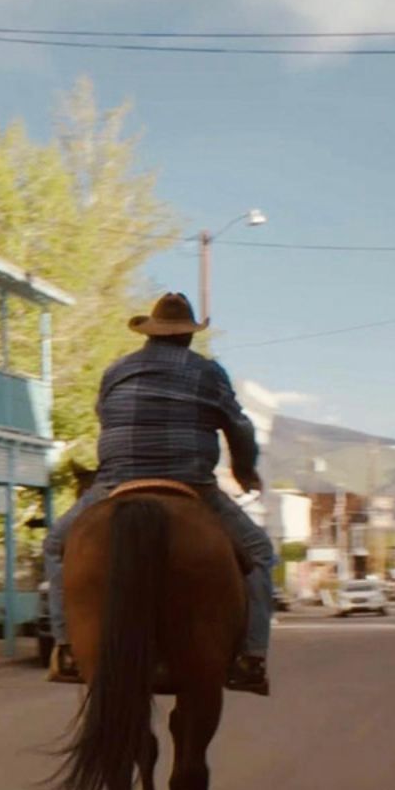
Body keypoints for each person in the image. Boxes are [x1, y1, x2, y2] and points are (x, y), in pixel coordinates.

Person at [43, 293, 276, 696]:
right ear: (187, 336)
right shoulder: (208, 372)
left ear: (149, 333)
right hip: (191, 483)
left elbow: (105, 417)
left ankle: (66, 649)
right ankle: (251, 658)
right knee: (259, 554)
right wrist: (244, 470)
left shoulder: (117, 370)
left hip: (115, 482)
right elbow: (240, 428)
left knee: (55, 545)